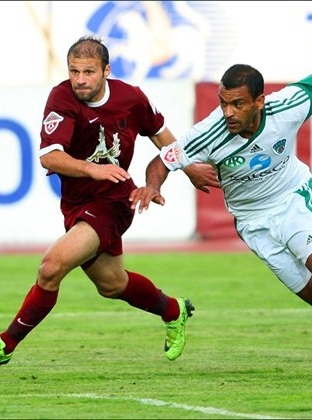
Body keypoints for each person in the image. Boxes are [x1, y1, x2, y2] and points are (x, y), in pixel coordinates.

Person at [132, 62, 312, 353]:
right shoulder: (209, 133)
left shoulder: (287, 106)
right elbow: (160, 162)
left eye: (238, 104)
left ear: (259, 101)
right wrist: (152, 186)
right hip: (253, 223)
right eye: (223, 103)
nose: (228, 112)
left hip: (294, 200)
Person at [0, 35, 220, 366]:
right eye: (74, 71)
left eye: (88, 72)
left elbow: (160, 133)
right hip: (76, 204)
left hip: (114, 201)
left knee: (51, 267)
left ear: (106, 71)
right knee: (113, 285)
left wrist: (188, 168)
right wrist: (92, 168)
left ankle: (6, 344)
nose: (80, 80)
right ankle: (174, 310)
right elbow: (50, 156)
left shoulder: (131, 98)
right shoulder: (61, 97)